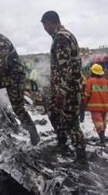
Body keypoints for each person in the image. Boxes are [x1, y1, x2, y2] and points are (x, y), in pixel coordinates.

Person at [40, 10, 88, 167]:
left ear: (51, 22)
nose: (45, 29)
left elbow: (64, 67)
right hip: (63, 87)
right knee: (53, 113)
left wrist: (61, 92)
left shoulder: (61, 38)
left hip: (68, 89)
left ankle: (81, 158)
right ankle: (62, 143)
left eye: (45, 25)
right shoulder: (62, 36)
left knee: (71, 122)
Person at [82, 63, 108, 146]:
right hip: (106, 107)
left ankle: (102, 140)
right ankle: (102, 138)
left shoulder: (90, 81)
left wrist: (83, 105)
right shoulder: (106, 82)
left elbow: (86, 95)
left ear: (92, 72)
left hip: (95, 107)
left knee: (98, 123)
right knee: (102, 122)